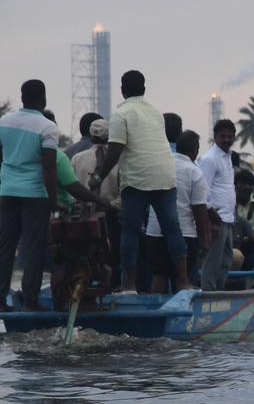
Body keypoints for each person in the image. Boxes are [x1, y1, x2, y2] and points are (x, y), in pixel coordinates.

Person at [91, 70, 192, 293]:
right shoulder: (156, 112)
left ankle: (128, 284)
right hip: (165, 176)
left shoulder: (121, 114)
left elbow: (115, 149)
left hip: (137, 181)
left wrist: (98, 177)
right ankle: (184, 281)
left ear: (122, 90)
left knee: (130, 231)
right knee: (172, 228)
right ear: (144, 90)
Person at [0, 79, 59, 312]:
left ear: (22, 98)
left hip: (8, 192)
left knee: (5, 247)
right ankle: (30, 299)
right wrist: (53, 200)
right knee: (33, 247)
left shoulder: (3, 122)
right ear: (44, 98)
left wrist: (3, 184)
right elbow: (49, 167)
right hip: (34, 194)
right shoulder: (47, 127)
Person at [144, 130, 211, 292]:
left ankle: (156, 314)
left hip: (154, 232)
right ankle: (182, 315)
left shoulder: (159, 166)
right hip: (185, 234)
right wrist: (204, 239)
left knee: (159, 274)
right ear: (195, 150)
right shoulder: (194, 172)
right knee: (182, 279)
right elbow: (200, 209)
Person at [71, 118, 123, 286]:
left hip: (83, 216)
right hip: (111, 215)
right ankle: (112, 285)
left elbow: (70, 188)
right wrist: (112, 205)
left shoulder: (77, 159)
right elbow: (126, 190)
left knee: (83, 254)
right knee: (114, 253)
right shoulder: (120, 159)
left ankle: (84, 283)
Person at [199, 119, 237, 290]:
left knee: (227, 261)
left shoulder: (227, 157)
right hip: (216, 218)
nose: (227, 140)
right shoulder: (210, 159)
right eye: (223, 136)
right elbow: (203, 191)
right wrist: (210, 220)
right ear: (215, 137)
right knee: (212, 263)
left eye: (230, 136)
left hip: (228, 218)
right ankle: (209, 295)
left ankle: (218, 292)